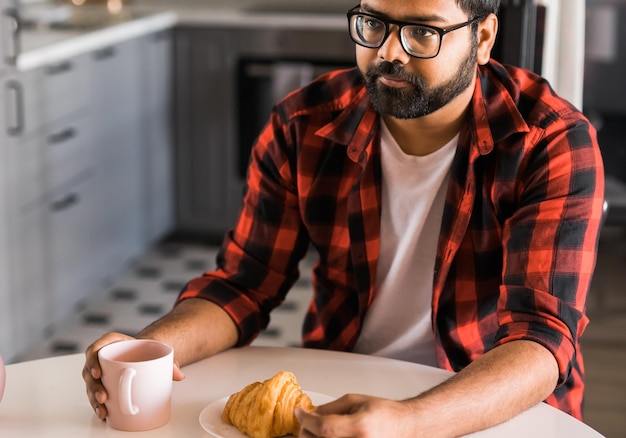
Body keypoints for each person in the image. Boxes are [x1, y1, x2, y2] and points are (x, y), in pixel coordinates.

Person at [83, 0, 605, 436]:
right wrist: (147, 350)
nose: (389, 53)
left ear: (484, 37)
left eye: (422, 32)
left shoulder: (550, 142)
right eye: (373, 23)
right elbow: (243, 286)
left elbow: (540, 338)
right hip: (339, 395)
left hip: (490, 406)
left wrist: (411, 421)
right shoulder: (302, 123)